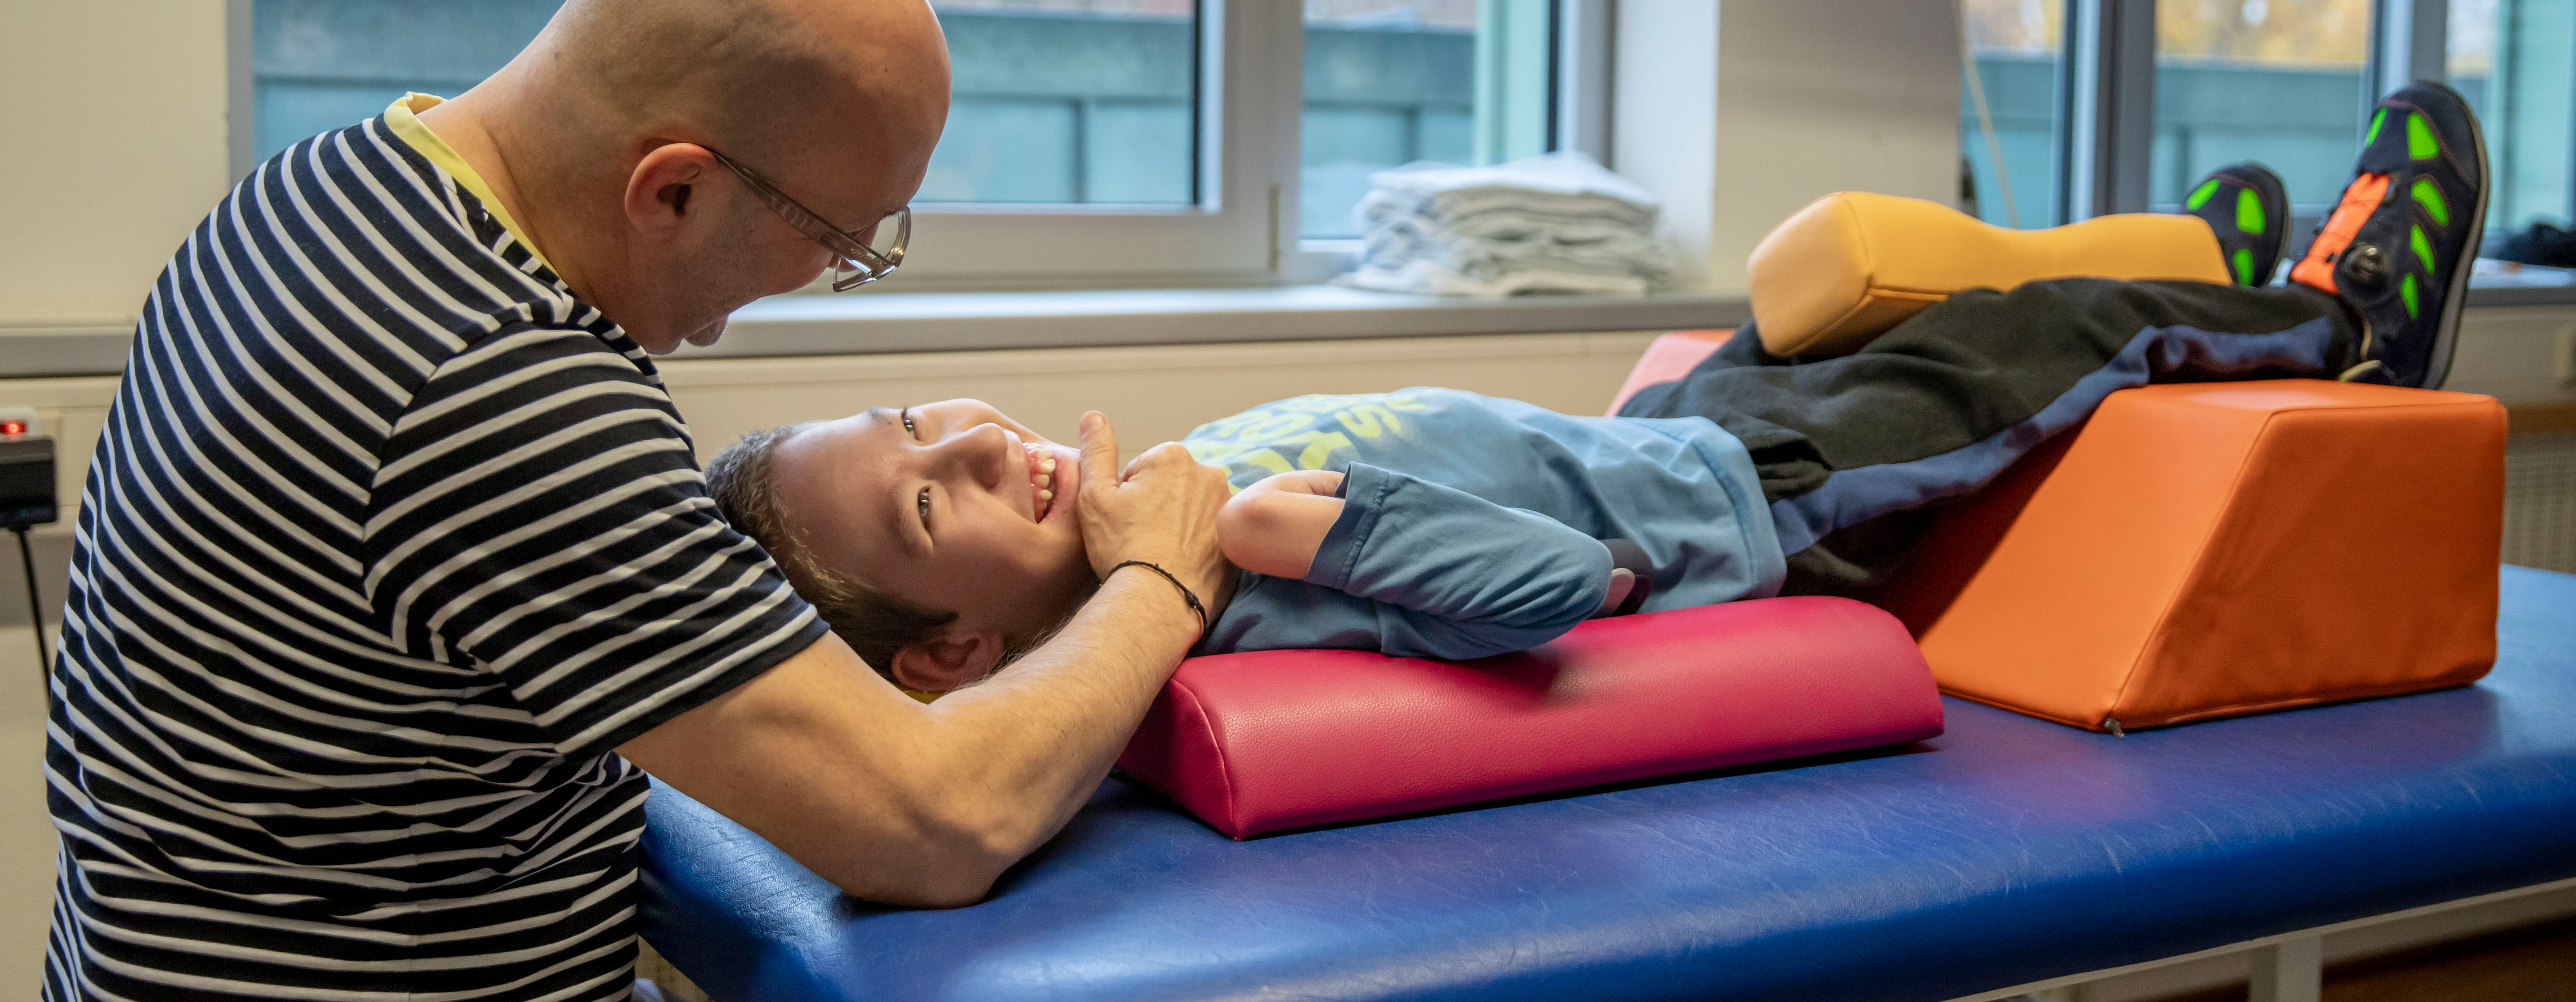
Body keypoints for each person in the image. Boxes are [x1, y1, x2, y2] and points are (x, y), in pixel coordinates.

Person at [43, 1, 1235, 999]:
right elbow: (936, 827)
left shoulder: (320, 188)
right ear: (674, 189)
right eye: (838, 240)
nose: (829, 274)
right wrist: (1158, 576)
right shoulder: (497, 386)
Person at [702, 81, 2487, 692]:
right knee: (2010, 359)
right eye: (934, 493)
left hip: (1657, 444)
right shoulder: (1226, 596)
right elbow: (1564, 590)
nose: (975, 441)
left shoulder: (1148, 510)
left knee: (1856, 296)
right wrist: (1280, 523)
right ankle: (2327, 318)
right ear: (952, 652)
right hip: (1741, 505)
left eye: (934, 413)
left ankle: (2194, 262)